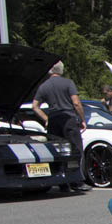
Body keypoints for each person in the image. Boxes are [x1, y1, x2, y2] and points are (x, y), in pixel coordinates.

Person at [32, 60, 90, 191]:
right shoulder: (68, 83)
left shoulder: (43, 86)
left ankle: (62, 183)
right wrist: (82, 119)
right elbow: (76, 103)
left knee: (57, 152)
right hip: (68, 119)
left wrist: (46, 118)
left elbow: (35, 106)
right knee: (76, 150)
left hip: (53, 121)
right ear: (61, 70)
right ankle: (78, 181)